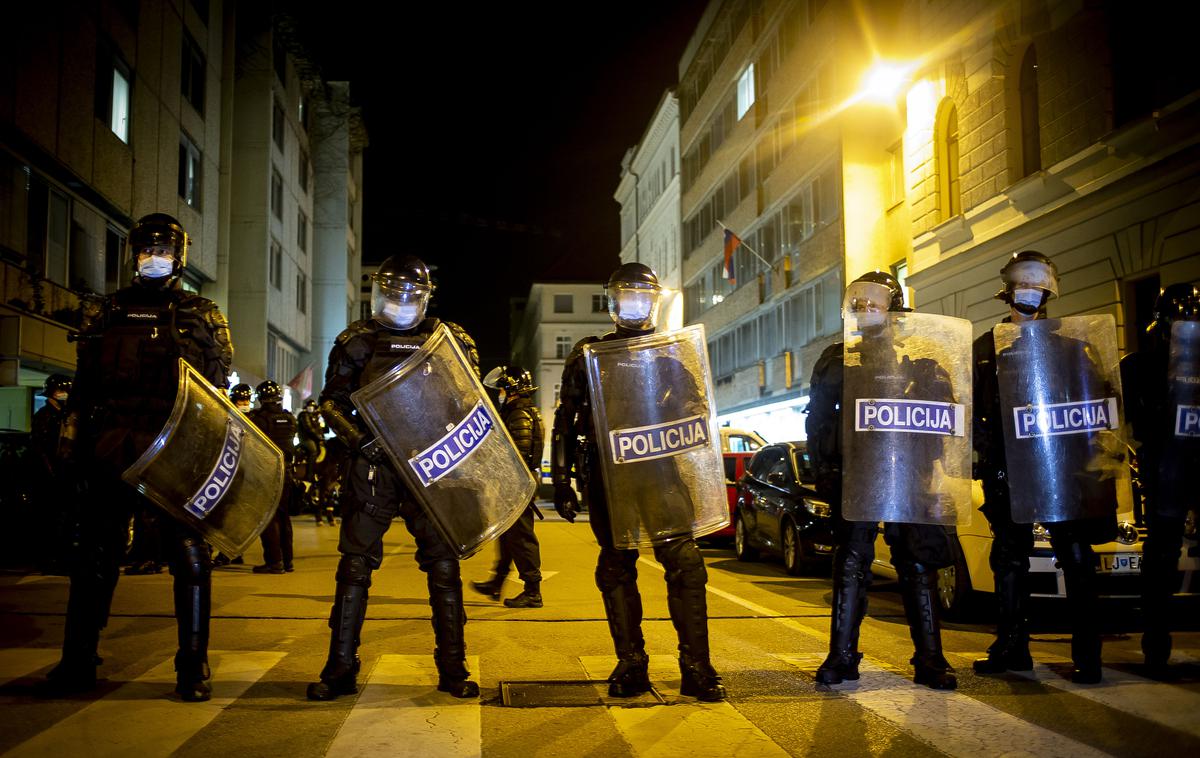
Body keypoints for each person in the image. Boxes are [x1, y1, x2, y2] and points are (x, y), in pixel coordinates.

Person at [42, 212, 233, 701]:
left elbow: (216, 387)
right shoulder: (106, 311)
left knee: (189, 555)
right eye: (146, 250)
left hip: (173, 445)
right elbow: (84, 387)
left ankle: (193, 665)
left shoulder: (202, 313)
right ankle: (78, 659)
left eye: (163, 250)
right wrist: (74, 448)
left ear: (179, 257)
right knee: (94, 556)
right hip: (112, 445)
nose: (154, 258)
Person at [307, 254, 481, 701]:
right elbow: (330, 403)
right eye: (393, 296)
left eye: (410, 298)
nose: (400, 306)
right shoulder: (358, 341)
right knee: (354, 566)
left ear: (424, 299)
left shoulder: (450, 340)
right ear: (378, 295)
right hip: (374, 467)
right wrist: (357, 440)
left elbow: (472, 403)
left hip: (431, 466)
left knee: (443, 567)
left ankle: (453, 668)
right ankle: (340, 668)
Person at [551, 262, 726, 702]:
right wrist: (562, 476)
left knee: (685, 564)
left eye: (640, 296)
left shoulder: (669, 355)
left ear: (653, 302)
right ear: (612, 303)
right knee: (615, 567)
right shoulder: (590, 356)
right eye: (625, 296)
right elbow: (565, 420)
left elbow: (697, 413)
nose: (633, 304)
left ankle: (696, 666)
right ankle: (631, 663)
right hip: (610, 479)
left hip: (659, 473)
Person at [806, 271, 958, 690]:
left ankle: (930, 659)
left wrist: (932, 471)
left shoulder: (921, 360)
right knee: (850, 563)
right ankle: (841, 655)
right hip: (853, 476)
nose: (865, 310)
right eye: (858, 303)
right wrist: (823, 472)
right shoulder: (837, 360)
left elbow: (942, 425)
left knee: (917, 563)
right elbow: (818, 420)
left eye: (874, 303)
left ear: (894, 308)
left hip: (906, 476)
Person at [972, 251, 1117, 684]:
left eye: (1037, 285)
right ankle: (1013, 649)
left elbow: (1096, 404)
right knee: (1009, 559)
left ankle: (1088, 657)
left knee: (1075, 557)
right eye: (1023, 285)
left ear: (1049, 289)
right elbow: (976, 410)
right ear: (1008, 291)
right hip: (1008, 471)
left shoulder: (1073, 345)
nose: (1030, 293)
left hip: (1062, 468)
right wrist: (985, 462)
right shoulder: (986, 347)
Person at [1120, 282, 1200, 675]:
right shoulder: (1139, 365)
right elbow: (1128, 421)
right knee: (1162, 559)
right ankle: (1156, 646)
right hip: (1165, 469)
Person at [471, 365, 545, 608]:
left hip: (517, 485)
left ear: (511, 389)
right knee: (508, 536)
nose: (499, 394)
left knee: (522, 538)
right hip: (515, 485)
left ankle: (533, 591)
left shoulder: (520, 414)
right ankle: (497, 582)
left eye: (501, 389)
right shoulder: (519, 411)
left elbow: (519, 454)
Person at [247, 380, 298, 574]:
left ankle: (274, 561)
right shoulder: (289, 418)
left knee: (269, 518)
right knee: (284, 517)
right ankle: (288, 561)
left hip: (268, 471)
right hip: (288, 471)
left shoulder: (259, 418)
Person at [31, 374, 73, 574]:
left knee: (62, 519)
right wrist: (50, 471)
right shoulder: (45, 415)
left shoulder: (63, 415)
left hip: (61, 474)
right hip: (50, 477)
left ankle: (59, 558)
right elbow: (41, 448)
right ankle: (50, 559)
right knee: (51, 520)